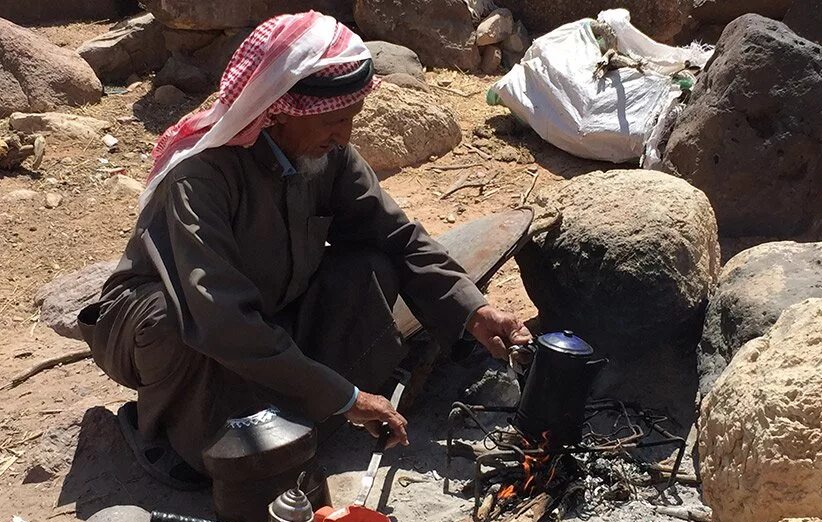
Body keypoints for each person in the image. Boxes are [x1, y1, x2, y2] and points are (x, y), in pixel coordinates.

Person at [78, 11, 531, 488]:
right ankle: (170, 432)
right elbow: (221, 319)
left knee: (370, 265)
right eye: (333, 122)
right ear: (280, 110)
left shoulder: (327, 155)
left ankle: (303, 405)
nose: (344, 137)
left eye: (350, 119)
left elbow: (397, 237)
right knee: (202, 402)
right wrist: (347, 397)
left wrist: (475, 311)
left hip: (267, 307)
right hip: (174, 325)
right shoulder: (203, 176)